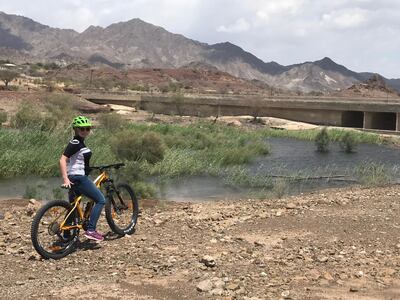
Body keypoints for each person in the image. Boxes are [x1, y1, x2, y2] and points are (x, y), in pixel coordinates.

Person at [59, 116, 105, 242]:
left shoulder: (80, 143)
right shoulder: (75, 143)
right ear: (75, 129)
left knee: (73, 206)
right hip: (77, 177)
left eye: (87, 129)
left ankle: (66, 235)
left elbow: (78, 161)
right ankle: (91, 230)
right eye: (82, 129)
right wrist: (65, 179)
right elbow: (63, 159)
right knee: (100, 200)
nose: (85, 131)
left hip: (76, 176)